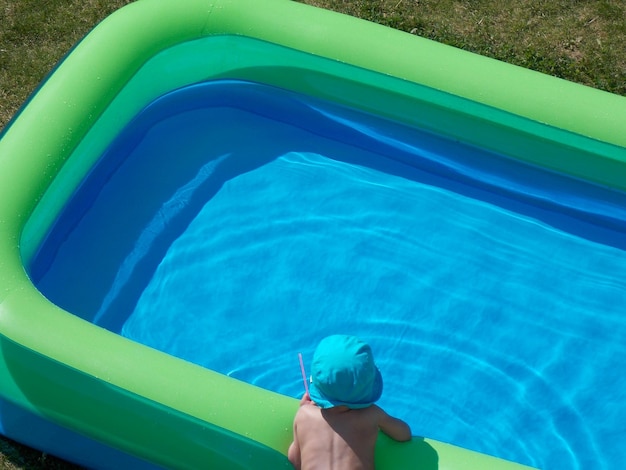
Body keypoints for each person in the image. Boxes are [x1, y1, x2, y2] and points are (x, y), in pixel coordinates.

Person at [288, 335, 411, 469]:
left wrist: (304, 408)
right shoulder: (371, 415)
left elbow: (294, 459)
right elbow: (404, 434)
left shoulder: (304, 415)